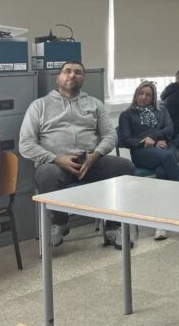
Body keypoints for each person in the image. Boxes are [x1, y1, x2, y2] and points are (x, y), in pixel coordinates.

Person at [19, 61, 135, 248]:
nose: (72, 75)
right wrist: (56, 159)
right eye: (67, 71)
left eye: (77, 72)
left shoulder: (94, 104)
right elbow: (25, 144)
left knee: (124, 166)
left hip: (90, 161)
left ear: (83, 79)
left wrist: (95, 155)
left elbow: (110, 135)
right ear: (58, 78)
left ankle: (113, 227)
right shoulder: (39, 106)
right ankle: (60, 223)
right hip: (55, 164)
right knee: (46, 173)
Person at [118, 81, 179, 240]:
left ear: (153, 98)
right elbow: (126, 140)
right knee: (167, 158)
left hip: (165, 145)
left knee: (162, 171)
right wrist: (145, 142)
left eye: (148, 95)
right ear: (136, 94)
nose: (143, 97)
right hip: (142, 152)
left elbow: (170, 129)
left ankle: (161, 223)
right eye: (141, 93)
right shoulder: (127, 115)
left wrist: (155, 138)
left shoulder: (161, 110)